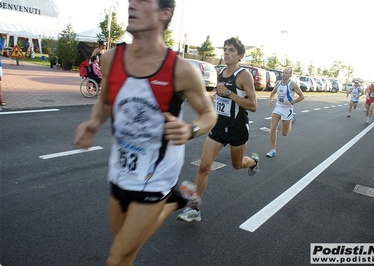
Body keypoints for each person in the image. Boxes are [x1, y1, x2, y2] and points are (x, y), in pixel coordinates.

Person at [74, 0, 217, 265]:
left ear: (165, 13)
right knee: (127, 254)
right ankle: (178, 199)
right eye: (131, 1)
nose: (132, 4)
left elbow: (209, 114)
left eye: (142, 0)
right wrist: (93, 123)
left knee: (116, 258)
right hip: (120, 170)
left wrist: (190, 129)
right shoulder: (110, 59)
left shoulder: (180, 70)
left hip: (157, 176)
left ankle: (172, 197)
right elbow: (106, 101)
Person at [176, 37, 260, 223]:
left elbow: (253, 106)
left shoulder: (243, 75)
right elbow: (221, 93)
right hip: (219, 126)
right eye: (225, 49)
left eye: (231, 50)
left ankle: (253, 162)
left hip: (237, 127)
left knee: (237, 165)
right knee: (204, 165)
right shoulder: (220, 71)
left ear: (239, 55)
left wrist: (229, 93)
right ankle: (194, 209)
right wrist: (213, 97)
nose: (226, 52)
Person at [266, 67, 304, 158]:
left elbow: (302, 96)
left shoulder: (292, 84)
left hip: (287, 109)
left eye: (286, 73)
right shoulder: (278, 83)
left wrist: (291, 102)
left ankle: (291, 119)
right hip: (278, 107)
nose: (283, 74)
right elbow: (272, 93)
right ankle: (273, 150)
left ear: (290, 75)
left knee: (284, 133)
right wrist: (271, 100)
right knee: (273, 127)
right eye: (283, 72)